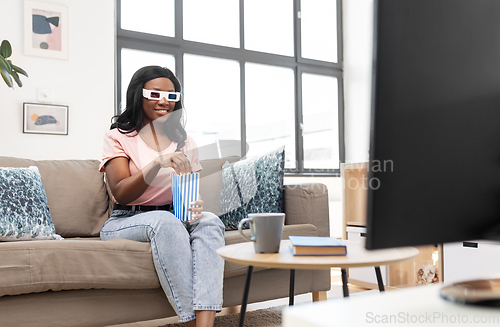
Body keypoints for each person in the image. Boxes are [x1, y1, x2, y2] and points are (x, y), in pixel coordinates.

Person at [99, 66, 225, 327]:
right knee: (165, 222)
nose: (164, 101)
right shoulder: (118, 137)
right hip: (126, 220)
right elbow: (121, 192)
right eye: (155, 93)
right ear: (139, 95)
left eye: (171, 96)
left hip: (174, 214)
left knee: (211, 221)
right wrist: (157, 162)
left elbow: (190, 190)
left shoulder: (184, 141)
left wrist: (194, 205)